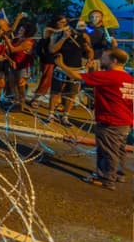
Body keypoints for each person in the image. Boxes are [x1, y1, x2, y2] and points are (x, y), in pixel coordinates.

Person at [54, 48, 133, 190]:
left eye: (104, 58)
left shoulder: (110, 75)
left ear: (114, 61)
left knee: (107, 151)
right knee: (118, 150)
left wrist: (60, 64)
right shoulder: (128, 78)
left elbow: (77, 77)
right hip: (124, 121)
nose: (101, 60)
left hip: (110, 120)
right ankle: (118, 174)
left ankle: (106, 179)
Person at [45, 16, 93, 126]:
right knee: (55, 92)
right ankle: (51, 114)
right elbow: (52, 49)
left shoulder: (83, 36)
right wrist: (64, 38)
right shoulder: (59, 34)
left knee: (72, 93)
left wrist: (90, 60)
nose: (80, 32)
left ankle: (65, 116)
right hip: (61, 67)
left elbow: (89, 50)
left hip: (76, 68)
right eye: (78, 29)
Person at [5, 21, 36, 110]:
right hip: (13, 64)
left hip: (23, 66)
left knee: (20, 85)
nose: (19, 31)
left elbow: (14, 50)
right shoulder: (17, 39)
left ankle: (21, 104)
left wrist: (7, 40)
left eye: (22, 30)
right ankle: (16, 102)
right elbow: (7, 51)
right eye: (20, 29)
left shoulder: (28, 42)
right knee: (12, 84)